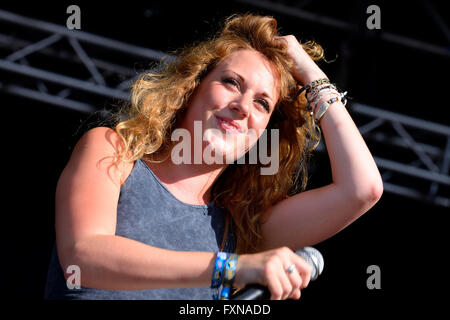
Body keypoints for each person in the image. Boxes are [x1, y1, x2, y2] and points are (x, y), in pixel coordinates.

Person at [44, 13, 383, 300]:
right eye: (232, 83)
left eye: (262, 103)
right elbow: (83, 255)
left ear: (266, 131)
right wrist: (229, 268)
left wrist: (314, 78)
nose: (242, 106)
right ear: (192, 88)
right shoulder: (113, 151)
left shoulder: (243, 227)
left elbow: (363, 189)